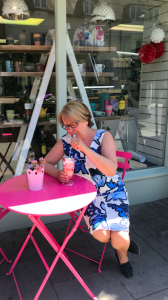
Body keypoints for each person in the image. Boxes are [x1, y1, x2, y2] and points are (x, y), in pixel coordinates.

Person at [45, 101, 139, 278]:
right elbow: (45, 163)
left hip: (112, 192)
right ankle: (121, 240)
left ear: (86, 119)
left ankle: (122, 254)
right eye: (66, 126)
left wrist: (86, 149)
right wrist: (58, 174)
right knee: (103, 235)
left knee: (120, 240)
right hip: (88, 196)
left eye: (74, 124)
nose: (70, 130)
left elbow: (111, 170)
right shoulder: (65, 142)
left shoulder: (104, 136)